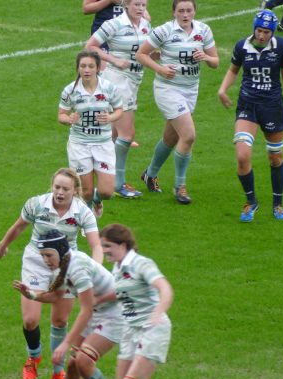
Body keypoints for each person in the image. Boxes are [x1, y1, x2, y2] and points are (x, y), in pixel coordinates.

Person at [0, 168, 102, 379]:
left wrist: (95, 268)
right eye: (57, 187)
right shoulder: (36, 204)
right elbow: (19, 226)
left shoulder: (82, 212)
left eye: (65, 189)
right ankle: (33, 357)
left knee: (60, 320)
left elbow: (96, 244)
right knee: (30, 319)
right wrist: (4, 244)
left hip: (66, 265)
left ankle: (57, 370)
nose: (60, 193)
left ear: (75, 191)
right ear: (52, 186)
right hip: (36, 260)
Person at [13, 231, 122, 379]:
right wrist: (32, 294)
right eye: (43, 255)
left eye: (48, 255)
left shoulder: (77, 267)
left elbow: (86, 309)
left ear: (61, 251)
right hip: (99, 313)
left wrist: (65, 343)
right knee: (73, 366)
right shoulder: (64, 265)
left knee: (83, 361)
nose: (45, 260)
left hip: (114, 315)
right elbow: (56, 295)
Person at [217, 9, 283, 222]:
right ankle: (251, 202)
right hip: (248, 106)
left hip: (273, 107)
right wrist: (222, 89)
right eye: (259, 30)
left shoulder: (281, 47)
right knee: (243, 156)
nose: (261, 35)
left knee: (275, 158)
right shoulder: (241, 46)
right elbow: (233, 70)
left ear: (272, 33)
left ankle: (277, 204)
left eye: (266, 32)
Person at [99, 223, 174, 379]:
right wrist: (97, 300)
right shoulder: (117, 268)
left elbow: (165, 289)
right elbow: (120, 292)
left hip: (153, 329)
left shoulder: (142, 264)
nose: (105, 251)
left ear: (123, 245)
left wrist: (158, 311)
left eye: (108, 246)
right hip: (131, 331)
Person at [136, 0, 219, 204]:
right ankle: (180, 187)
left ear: (194, 12)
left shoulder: (203, 30)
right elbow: (141, 54)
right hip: (167, 89)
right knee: (188, 135)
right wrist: (160, 69)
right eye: (180, 11)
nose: (185, 14)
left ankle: (150, 174)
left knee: (171, 137)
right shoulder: (165, 31)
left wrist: (206, 57)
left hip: (190, 91)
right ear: (173, 12)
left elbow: (216, 63)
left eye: (188, 10)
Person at [87, 0, 152, 199]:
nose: (140, 8)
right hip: (117, 80)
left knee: (112, 136)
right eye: (136, 4)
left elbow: (146, 53)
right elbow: (90, 46)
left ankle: (97, 178)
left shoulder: (145, 25)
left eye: (143, 4)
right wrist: (113, 60)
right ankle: (117, 183)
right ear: (126, 5)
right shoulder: (114, 24)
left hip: (134, 80)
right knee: (127, 134)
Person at [58, 50, 123, 218]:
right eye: (83, 66)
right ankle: (86, 221)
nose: (86, 70)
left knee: (107, 191)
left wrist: (109, 117)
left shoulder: (109, 88)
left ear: (98, 68)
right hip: (80, 144)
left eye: (90, 66)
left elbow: (119, 110)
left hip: (103, 143)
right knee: (84, 192)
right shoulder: (70, 90)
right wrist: (69, 119)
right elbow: (61, 115)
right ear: (78, 68)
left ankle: (97, 198)